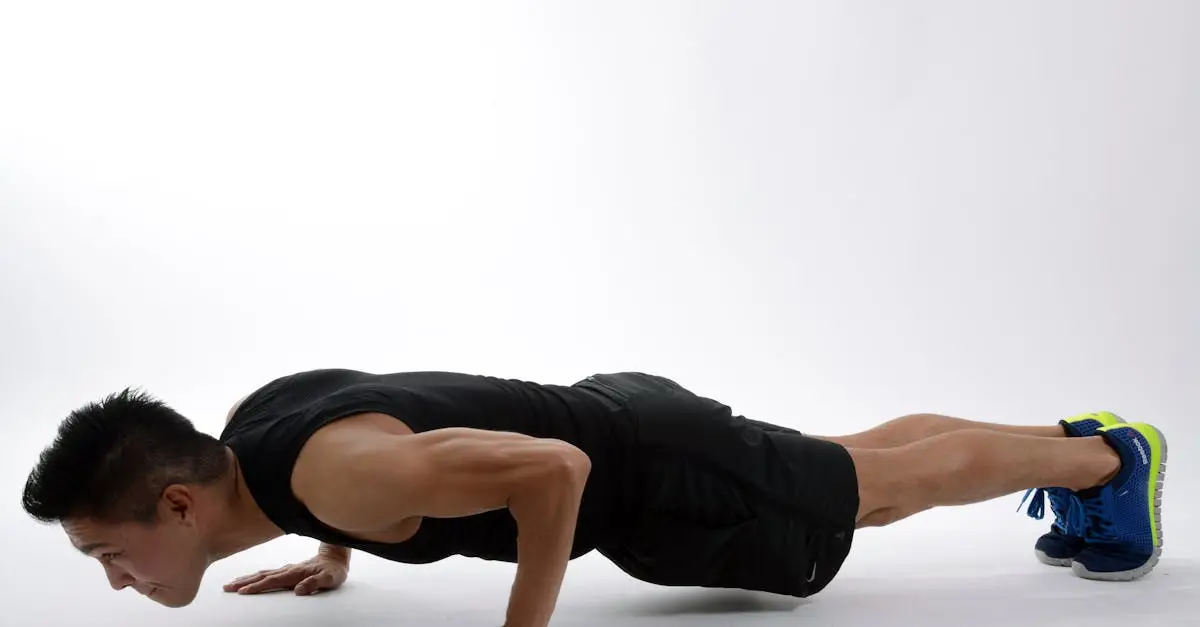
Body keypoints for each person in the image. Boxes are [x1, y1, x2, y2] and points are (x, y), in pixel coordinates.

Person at [21, 369, 1167, 625]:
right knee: (854, 463)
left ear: (175, 508)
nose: (116, 578)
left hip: (646, 472)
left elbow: (552, 474)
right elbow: (360, 448)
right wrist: (331, 557)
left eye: (103, 554)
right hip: (631, 422)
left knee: (872, 494)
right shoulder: (259, 447)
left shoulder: (338, 477)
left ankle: (1107, 464)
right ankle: (1070, 443)